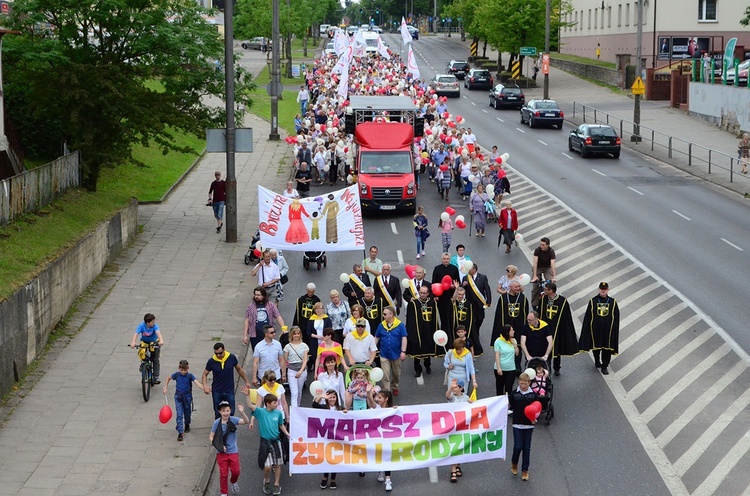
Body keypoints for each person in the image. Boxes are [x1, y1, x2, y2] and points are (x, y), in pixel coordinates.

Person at [244, 391, 289, 496]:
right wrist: (247, 395)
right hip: (265, 442)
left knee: (277, 464)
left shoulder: (278, 413)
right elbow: (250, 405)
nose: (277, 404)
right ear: (268, 404)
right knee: (268, 466)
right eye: (275, 402)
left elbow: (281, 425)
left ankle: (277, 484)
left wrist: (287, 433)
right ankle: (267, 480)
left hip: (277, 441)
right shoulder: (261, 412)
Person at [578, 282, 620, 375]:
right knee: (596, 347)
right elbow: (588, 316)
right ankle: (597, 361)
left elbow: (616, 317)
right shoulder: (593, 301)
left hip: (608, 331)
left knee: (606, 349)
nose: (603, 290)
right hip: (595, 330)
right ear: (599, 289)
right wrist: (587, 329)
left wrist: (614, 331)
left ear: (608, 290)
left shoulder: (613, 302)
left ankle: (605, 366)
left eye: (605, 289)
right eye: (601, 289)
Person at [209, 400, 250, 496]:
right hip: (221, 453)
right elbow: (211, 437)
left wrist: (242, 412)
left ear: (230, 410)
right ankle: (224, 492)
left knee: (236, 471)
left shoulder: (233, 420)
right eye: (223, 411)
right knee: (223, 474)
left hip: (233, 451)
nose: (225, 413)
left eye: (227, 410)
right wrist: (218, 446)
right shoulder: (216, 423)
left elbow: (246, 421)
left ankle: (233, 481)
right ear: (220, 412)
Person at [539, 282, 579, 376]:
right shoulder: (544, 299)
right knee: (546, 348)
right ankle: (547, 367)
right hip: (546, 328)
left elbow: (566, 317)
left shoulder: (562, 301)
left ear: (551, 290)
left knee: (557, 349)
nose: (544, 291)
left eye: (546, 289)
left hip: (558, 329)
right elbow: (540, 312)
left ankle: (557, 367)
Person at [203, 342, 251, 419]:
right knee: (217, 411)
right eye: (216, 353)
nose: (218, 355)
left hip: (229, 389)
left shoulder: (231, 357)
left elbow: (239, 369)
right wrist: (205, 386)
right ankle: (219, 427)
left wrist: (246, 381)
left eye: (220, 353)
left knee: (231, 411)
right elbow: (205, 374)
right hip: (217, 390)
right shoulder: (211, 361)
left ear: (224, 349)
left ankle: (229, 426)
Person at [163, 359, 203, 441]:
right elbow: (168, 378)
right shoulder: (177, 375)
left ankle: (187, 423)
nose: (183, 372)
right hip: (178, 396)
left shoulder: (190, 376)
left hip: (187, 396)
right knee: (179, 414)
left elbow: (197, 383)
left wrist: (205, 388)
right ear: (179, 368)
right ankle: (180, 432)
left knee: (187, 412)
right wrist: (165, 387)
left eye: (185, 370)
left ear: (188, 368)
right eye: (182, 370)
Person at [509, 373, 539, 482]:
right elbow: (510, 406)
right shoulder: (514, 394)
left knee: (527, 448)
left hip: (528, 425)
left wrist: (535, 419)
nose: (523, 386)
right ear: (519, 382)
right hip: (517, 424)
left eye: (525, 384)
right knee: (518, 446)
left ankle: (525, 470)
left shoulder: (533, 395)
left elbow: (537, 409)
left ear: (529, 383)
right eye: (521, 384)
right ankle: (514, 462)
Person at [312, 390, 345, 489]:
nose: (332, 399)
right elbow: (314, 405)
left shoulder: (341, 409)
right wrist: (321, 396)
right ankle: (325, 477)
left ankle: (333, 478)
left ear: (337, 398)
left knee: (335, 457)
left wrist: (346, 413)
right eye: (330, 397)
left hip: (337, 437)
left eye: (333, 397)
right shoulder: (323, 408)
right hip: (325, 437)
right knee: (326, 457)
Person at [406, 285, 440, 377]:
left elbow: (434, 318)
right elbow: (410, 319)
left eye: (424, 293)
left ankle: (427, 366)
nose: (422, 294)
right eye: (421, 293)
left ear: (428, 293)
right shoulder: (414, 303)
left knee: (427, 350)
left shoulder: (432, 302)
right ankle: (417, 369)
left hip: (428, 330)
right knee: (417, 351)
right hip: (418, 330)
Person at [374, 307, 408, 395]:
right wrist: (373, 349)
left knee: (396, 374)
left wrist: (403, 351)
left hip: (396, 355)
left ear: (391, 315)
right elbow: (377, 337)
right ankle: (387, 391)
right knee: (385, 375)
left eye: (385, 314)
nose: (383, 316)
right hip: (384, 354)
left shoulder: (400, 325)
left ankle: (395, 386)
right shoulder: (381, 325)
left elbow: (404, 338)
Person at [445, 377, 472, 482]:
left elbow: (472, 405)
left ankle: (458, 465)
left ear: (461, 388)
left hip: (462, 426)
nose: (454, 389)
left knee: (461, 446)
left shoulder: (466, 398)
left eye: (456, 387)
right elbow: (447, 396)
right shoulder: (453, 397)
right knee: (454, 446)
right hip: (453, 426)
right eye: (454, 387)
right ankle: (453, 470)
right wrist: (450, 388)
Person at [243, 286, 284, 351]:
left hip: (268, 334)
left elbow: (278, 316)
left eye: (259, 295)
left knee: (268, 351)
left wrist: (283, 328)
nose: (256, 296)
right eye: (255, 294)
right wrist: (245, 335)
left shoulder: (271, 305)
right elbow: (247, 320)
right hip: (255, 335)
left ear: (264, 296)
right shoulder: (250, 306)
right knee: (257, 352)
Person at [463, 263, 491, 354]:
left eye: (470, 269)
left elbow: (487, 289)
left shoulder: (483, 277)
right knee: (471, 319)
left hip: (479, 303)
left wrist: (488, 300)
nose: (469, 271)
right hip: (469, 303)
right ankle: (474, 334)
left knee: (480, 318)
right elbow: (461, 289)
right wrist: (463, 285)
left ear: (474, 269)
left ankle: (476, 329)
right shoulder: (466, 278)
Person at [130, 313, 164, 384]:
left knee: (155, 359)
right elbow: (136, 333)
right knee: (142, 354)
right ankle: (143, 365)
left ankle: (156, 376)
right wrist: (133, 342)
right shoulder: (141, 326)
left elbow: (158, 333)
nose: (153, 323)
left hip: (154, 343)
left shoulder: (155, 326)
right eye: (152, 322)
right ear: (147, 323)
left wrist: (161, 341)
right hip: (144, 342)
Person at [372, 390, 396, 490]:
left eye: (380, 397)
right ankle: (380, 470)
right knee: (379, 454)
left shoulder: (392, 409)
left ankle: (388, 480)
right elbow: (371, 402)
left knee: (387, 456)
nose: (377, 399)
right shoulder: (376, 407)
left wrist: (396, 410)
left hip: (388, 437)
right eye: (377, 397)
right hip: (377, 436)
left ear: (386, 399)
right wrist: (369, 393)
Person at [293, 283, 321, 368]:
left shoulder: (317, 300)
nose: (310, 294)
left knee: (311, 346)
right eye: (309, 292)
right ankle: (303, 362)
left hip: (312, 327)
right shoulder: (301, 300)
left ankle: (311, 363)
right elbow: (297, 313)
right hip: (303, 325)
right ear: (306, 290)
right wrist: (296, 325)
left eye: (312, 292)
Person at [432, 252, 461, 332]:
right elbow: (434, 282)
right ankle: (443, 330)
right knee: (442, 314)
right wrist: (435, 295)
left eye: (447, 259)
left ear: (450, 259)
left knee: (450, 315)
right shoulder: (437, 268)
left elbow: (457, 281)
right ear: (442, 259)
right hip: (440, 296)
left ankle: (450, 330)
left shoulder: (454, 268)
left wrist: (454, 286)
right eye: (444, 259)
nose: (446, 260)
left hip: (451, 296)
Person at [451, 287, 481, 355]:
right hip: (457, 324)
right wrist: (456, 289)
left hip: (465, 324)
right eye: (459, 294)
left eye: (462, 294)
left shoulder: (468, 304)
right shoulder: (454, 303)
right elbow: (453, 299)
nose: (460, 296)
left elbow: (470, 316)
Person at [283, 326, 309, 407]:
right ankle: (294, 411)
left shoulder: (304, 346)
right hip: (292, 370)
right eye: (294, 334)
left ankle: (298, 407)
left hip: (302, 370)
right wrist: (284, 373)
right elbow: (285, 360)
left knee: (299, 391)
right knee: (294, 392)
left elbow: (305, 360)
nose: (296, 335)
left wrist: (300, 371)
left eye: (298, 333)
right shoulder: (288, 346)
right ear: (291, 335)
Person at [530, 237, 556, 309]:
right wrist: (535, 275)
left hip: (547, 267)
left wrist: (554, 277)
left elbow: (553, 264)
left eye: (543, 245)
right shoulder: (537, 250)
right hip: (538, 267)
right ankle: (534, 304)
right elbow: (535, 263)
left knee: (551, 285)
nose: (541, 246)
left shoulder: (551, 251)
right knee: (535, 287)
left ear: (547, 245)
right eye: (540, 244)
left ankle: (551, 301)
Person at [494, 325, 519, 399]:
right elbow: (497, 355)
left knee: (509, 388)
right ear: (507, 332)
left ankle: (508, 404)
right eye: (511, 330)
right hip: (500, 368)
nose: (513, 331)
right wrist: (499, 368)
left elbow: (517, 353)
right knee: (500, 387)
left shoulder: (513, 340)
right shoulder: (498, 341)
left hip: (511, 368)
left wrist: (515, 345)